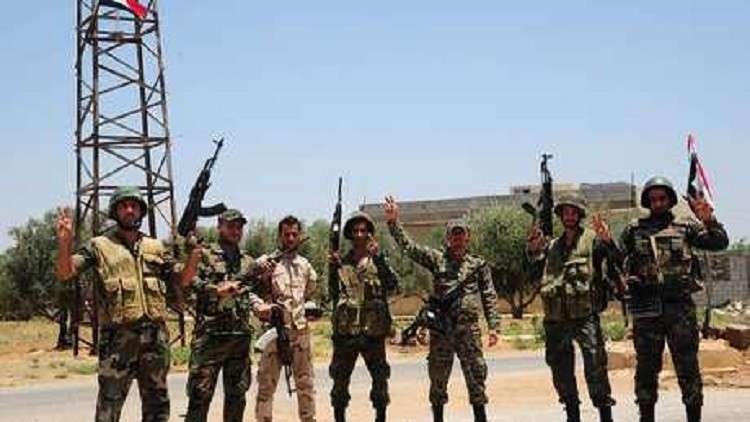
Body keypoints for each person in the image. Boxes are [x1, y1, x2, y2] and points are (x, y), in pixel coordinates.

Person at [384, 195, 499, 422]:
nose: (458, 239)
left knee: (477, 380)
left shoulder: (478, 265)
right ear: (447, 238)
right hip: (442, 331)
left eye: (461, 234)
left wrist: (494, 326)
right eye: (454, 235)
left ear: (468, 237)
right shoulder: (437, 260)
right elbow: (409, 248)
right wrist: (393, 222)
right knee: (438, 382)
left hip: (469, 331)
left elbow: (489, 294)